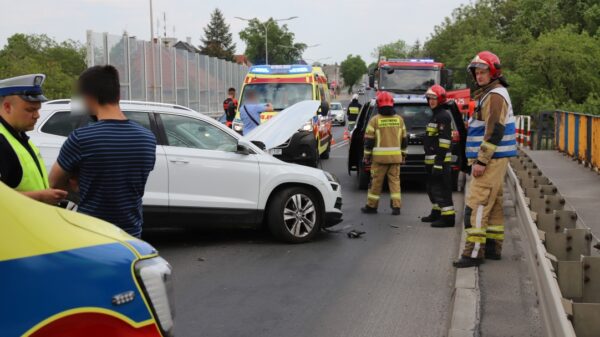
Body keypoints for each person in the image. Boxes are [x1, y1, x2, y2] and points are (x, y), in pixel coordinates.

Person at [49, 65, 156, 238]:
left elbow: (54, 183)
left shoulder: (81, 138)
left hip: (92, 234)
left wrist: (79, 185)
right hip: (131, 234)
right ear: (118, 95)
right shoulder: (148, 138)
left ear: (88, 97)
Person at [454, 51, 517, 268]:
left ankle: (473, 253)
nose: (479, 76)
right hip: (496, 158)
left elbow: (494, 130)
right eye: (477, 72)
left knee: (477, 203)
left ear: (493, 72)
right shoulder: (492, 93)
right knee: (494, 202)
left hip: (490, 160)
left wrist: (481, 161)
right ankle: (492, 247)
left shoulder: (495, 96)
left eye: (483, 72)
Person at [0, 74, 68, 204]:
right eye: (30, 110)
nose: (37, 115)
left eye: (38, 109)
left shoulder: (19, 136)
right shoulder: (2, 141)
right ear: (7, 107)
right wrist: (40, 197)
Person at [361, 91, 407, 216]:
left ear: (379, 105)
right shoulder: (400, 120)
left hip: (379, 160)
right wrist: (403, 155)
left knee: (375, 183)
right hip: (395, 159)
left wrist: (366, 156)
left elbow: (369, 141)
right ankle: (396, 208)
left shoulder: (374, 121)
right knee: (395, 183)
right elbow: (404, 140)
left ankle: (371, 207)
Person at [422, 85, 456, 228]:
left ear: (440, 99)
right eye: (430, 98)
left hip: (440, 162)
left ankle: (448, 218)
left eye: (434, 98)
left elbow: (444, 141)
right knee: (432, 188)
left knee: (442, 189)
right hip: (433, 160)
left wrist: (438, 163)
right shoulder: (436, 115)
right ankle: (437, 212)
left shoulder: (443, 116)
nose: (431, 101)